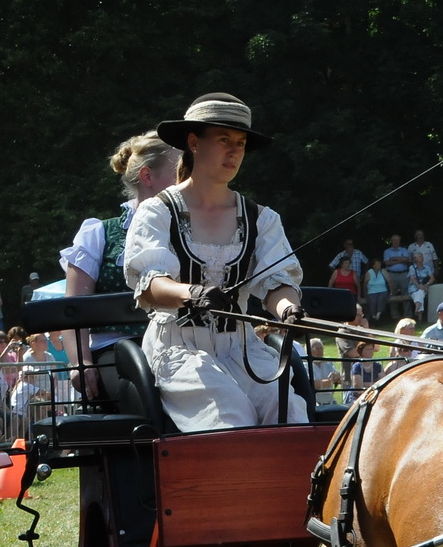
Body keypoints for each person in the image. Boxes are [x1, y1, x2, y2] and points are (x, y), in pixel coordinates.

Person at [124, 93, 307, 431]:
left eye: (240, 143)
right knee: (230, 416)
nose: (235, 151)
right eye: (224, 139)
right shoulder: (158, 211)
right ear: (194, 142)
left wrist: (288, 310)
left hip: (242, 348)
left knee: (288, 415)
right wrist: (194, 293)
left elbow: (277, 284)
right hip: (179, 347)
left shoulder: (261, 219)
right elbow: (150, 284)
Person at [60, 132, 181, 392]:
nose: (188, 181)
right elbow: (73, 310)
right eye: (179, 173)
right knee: (143, 392)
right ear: (148, 176)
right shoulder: (98, 235)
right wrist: (80, 363)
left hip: (181, 347)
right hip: (115, 352)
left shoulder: (193, 233)